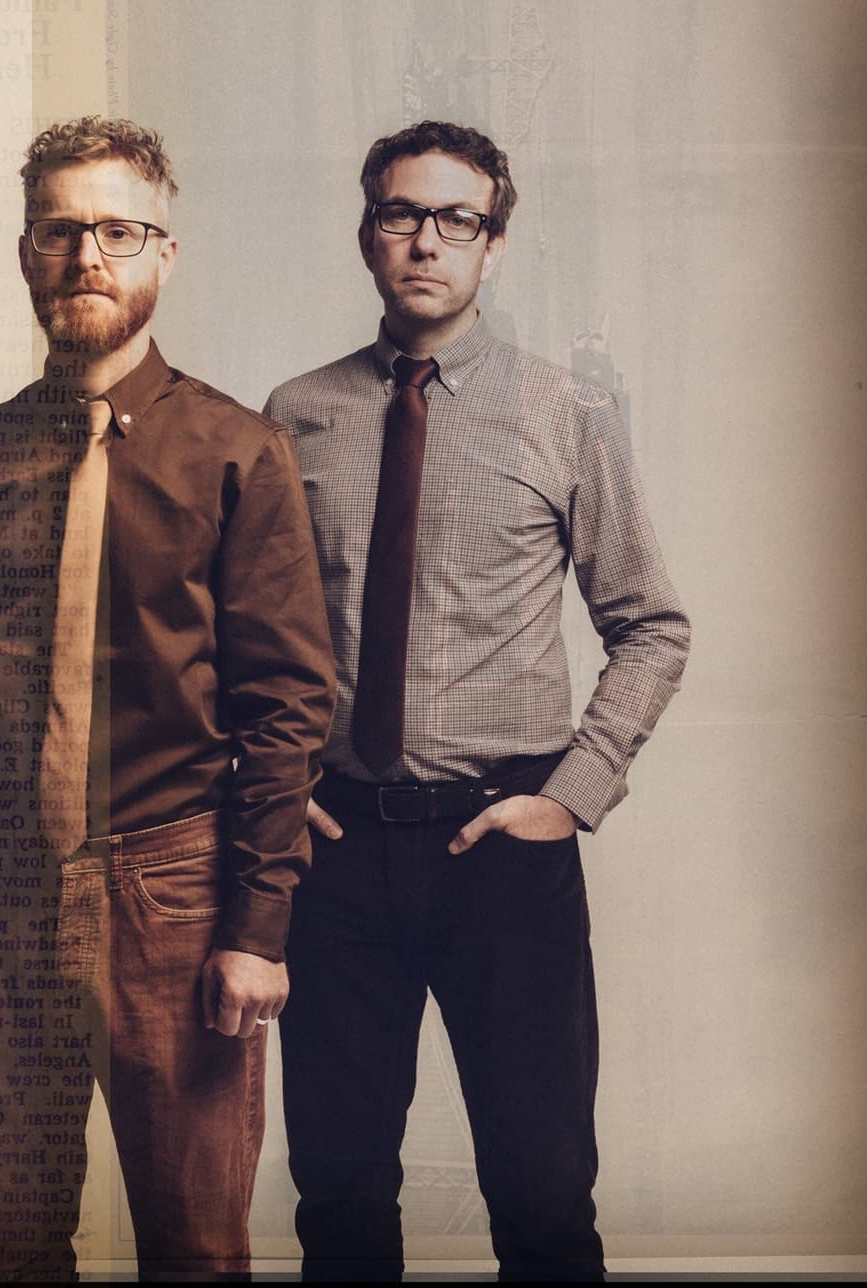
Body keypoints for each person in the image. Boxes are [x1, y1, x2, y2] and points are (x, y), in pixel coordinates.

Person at [0, 115, 335, 1280]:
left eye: (117, 231)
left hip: (173, 895)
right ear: (26, 252)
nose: (87, 256)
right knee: (14, 1247)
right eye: (59, 231)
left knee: (192, 1251)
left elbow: (287, 714)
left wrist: (256, 931)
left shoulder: (238, 452)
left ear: (162, 255)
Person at [264, 120, 691, 1282]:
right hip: (338, 848)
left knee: (543, 1193)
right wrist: (274, 791)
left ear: (492, 246)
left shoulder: (564, 413)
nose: (426, 242)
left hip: (501, 847)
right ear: (366, 236)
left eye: (457, 220)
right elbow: (244, 636)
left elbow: (650, 622)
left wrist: (570, 793)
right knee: (339, 1197)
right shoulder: (293, 415)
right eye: (401, 214)